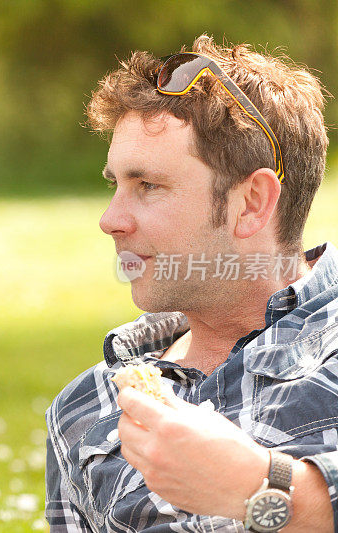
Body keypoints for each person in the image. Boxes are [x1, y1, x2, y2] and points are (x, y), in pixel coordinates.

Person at [45, 34, 338, 532]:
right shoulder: (84, 407)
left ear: (250, 203)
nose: (110, 219)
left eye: (149, 186)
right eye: (114, 184)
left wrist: (258, 486)